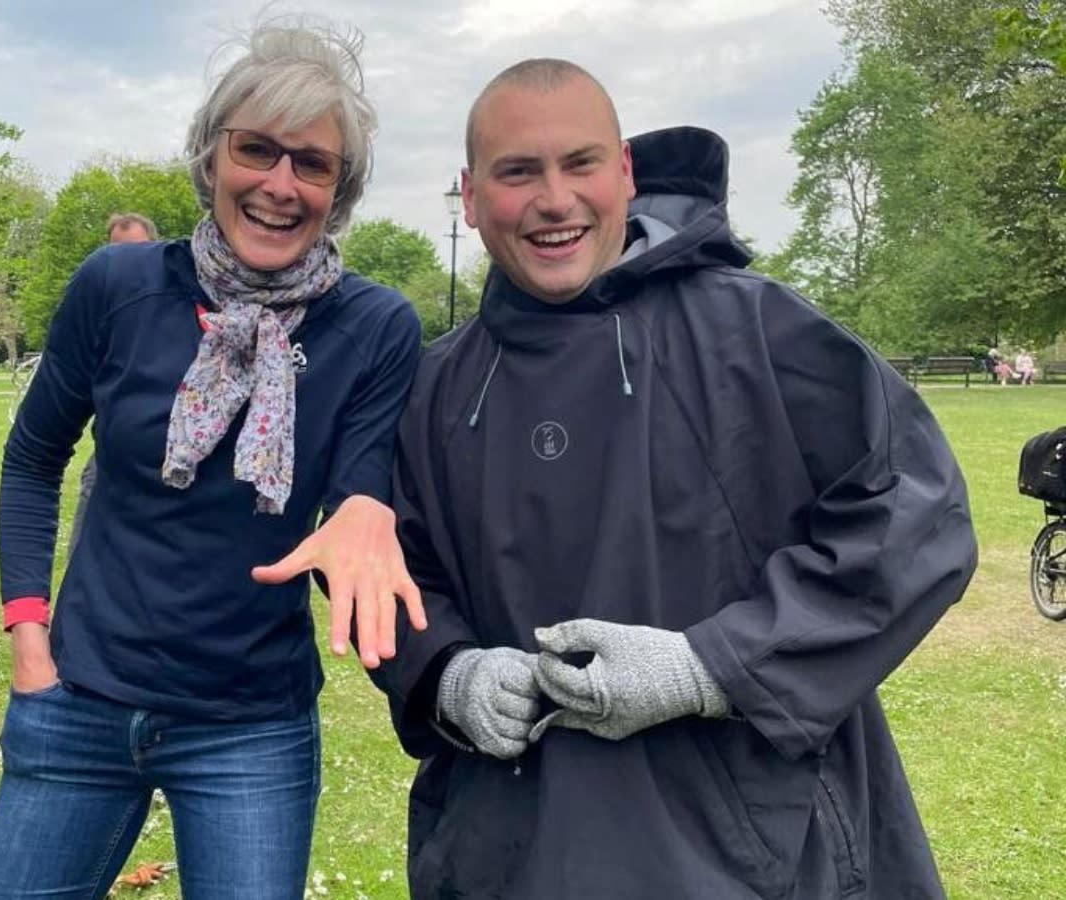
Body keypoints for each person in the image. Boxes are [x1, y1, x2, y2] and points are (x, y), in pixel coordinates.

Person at [371, 59, 977, 900]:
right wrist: (446, 673)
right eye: (518, 172)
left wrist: (711, 667)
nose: (554, 201)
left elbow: (916, 514)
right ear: (470, 199)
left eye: (579, 163)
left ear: (623, 171)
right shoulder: (435, 386)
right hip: (507, 853)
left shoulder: (756, 329)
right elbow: (395, 574)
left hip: (754, 850)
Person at [0, 20, 426, 900]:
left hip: (248, 728)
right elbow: (33, 459)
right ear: (211, 157)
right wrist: (29, 636)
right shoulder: (119, 286)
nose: (279, 185)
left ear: (341, 191)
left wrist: (367, 512)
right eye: (256, 150)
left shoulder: (376, 328)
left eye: (313, 164)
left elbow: (361, 491)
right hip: (77, 704)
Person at [67, 214, 160, 555]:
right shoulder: (98, 312)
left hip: (166, 467)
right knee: (83, 557)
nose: (125, 262)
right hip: (108, 461)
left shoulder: (173, 311)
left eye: (136, 251)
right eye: (116, 251)